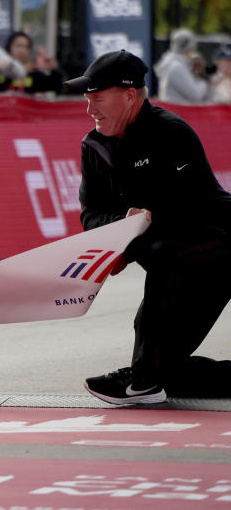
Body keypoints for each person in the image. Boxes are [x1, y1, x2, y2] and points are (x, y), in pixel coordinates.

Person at [67, 49, 231, 405]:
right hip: (170, 257)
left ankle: (141, 378)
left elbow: (186, 213)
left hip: (217, 251)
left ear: (129, 96)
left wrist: (130, 236)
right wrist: (122, 223)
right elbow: (91, 216)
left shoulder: (170, 132)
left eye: (97, 99)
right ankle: (148, 376)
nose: (90, 109)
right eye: (87, 100)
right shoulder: (94, 146)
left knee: (163, 250)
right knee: (169, 371)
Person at [0, 31, 62, 95]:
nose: (23, 51)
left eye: (27, 47)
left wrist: (54, 69)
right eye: (19, 46)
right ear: (9, 47)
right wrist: (20, 70)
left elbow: (56, 86)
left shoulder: (33, 73)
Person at [153, 29, 210, 103]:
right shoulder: (176, 67)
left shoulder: (173, 62)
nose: (193, 51)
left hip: (173, 110)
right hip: (176, 111)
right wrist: (204, 80)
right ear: (188, 47)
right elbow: (196, 95)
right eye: (192, 48)